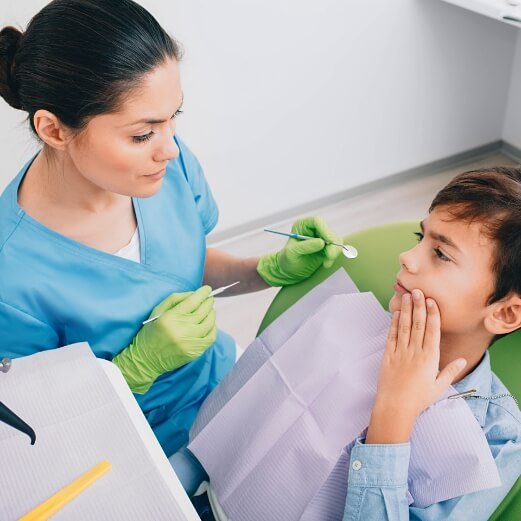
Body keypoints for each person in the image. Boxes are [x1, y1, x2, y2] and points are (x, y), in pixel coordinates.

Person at [0, 0, 343, 459]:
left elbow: (184, 267)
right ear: (54, 130)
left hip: (219, 383)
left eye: (173, 118)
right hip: (129, 445)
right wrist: (134, 368)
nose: (170, 149)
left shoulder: (161, 169)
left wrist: (267, 269)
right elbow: (39, 426)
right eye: (143, 134)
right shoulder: (12, 274)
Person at [188, 167, 521, 520]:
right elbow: (230, 427)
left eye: (441, 254)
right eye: (419, 237)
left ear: (505, 314)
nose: (407, 257)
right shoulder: (347, 321)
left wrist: (394, 414)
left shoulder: (497, 444)